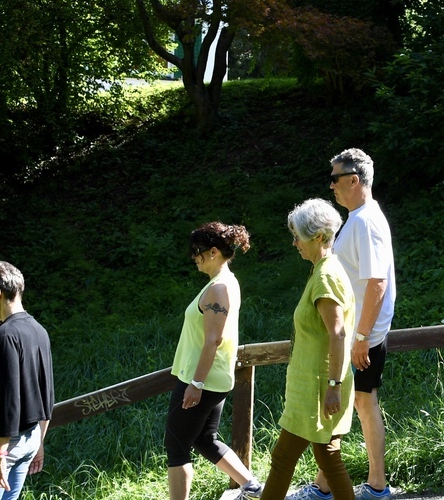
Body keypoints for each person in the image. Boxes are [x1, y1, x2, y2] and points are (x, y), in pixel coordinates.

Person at [289, 149, 396, 500]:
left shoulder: (365, 221)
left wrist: (362, 336)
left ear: (354, 180)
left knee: (362, 404)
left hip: (361, 336)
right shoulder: (360, 217)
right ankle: (328, 484)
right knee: (356, 404)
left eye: (335, 178)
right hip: (358, 334)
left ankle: (374, 486)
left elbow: (377, 282)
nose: (331, 185)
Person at [263, 199, 357, 500]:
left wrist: (333, 387)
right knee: (328, 457)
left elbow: (338, 334)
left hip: (318, 388)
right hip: (313, 385)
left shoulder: (326, 276)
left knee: (283, 459)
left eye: (298, 236)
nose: (294, 243)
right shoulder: (323, 270)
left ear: (318, 237)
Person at [165, 222, 262, 500]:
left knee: (176, 446)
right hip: (213, 378)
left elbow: (213, 340)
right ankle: (252, 486)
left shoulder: (218, 288)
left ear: (214, 252)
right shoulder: (225, 283)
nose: (194, 256)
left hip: (202, 379)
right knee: (204, 439)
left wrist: (195, 383)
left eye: (197, 250)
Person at [0, 261, 54, 500]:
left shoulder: (4, 337)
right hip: (30, 439)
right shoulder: (39, 331)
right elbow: (47, 395)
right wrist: (39, 443)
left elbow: (8, 400)